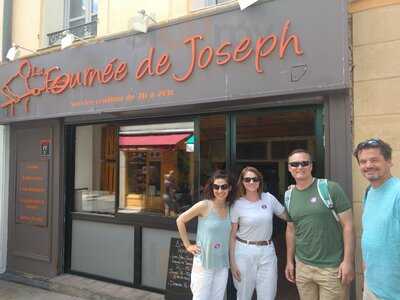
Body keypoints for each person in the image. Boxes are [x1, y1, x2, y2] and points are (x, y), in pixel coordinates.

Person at [284, 149, 355, 300]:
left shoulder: (330, 188)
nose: (300, 167)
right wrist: (290, 261)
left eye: (304, 163)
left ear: (311, 166)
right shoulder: (289, 195)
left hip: (331, 268)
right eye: (295, 164)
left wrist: (348, 262)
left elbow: (348, 226)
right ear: (289, 168)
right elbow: (291, 230)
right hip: (303, 266)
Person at [230, 166, 287, 300]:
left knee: (268, 295)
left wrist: (293, 195)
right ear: (242, 182)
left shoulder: (269, 198)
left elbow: (286, 216)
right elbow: (232, 235)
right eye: (247, 179)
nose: (251, 182)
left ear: (260, 181)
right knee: (244, 295)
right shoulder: (237, 204)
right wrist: (232, 262)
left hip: (267, 251)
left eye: (255, 179)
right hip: (244, 251)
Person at [176, 170, 235, 300]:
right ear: (212, 187)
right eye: (216, 187)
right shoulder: (204, 205)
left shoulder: (231, 207)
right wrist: (187, 245)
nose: (220, 190)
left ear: (230, 188)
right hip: (204, 263)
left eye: (224, 186)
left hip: (222, 264)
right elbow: (180, 220)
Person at [353, 138, 400, 300]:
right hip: (372, 288)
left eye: (374, 160)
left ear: (389, 161)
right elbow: (371, 237)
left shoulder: (398, 192)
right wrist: (367, 276)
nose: (368, 165)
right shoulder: (369, 192)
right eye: (363, 161)